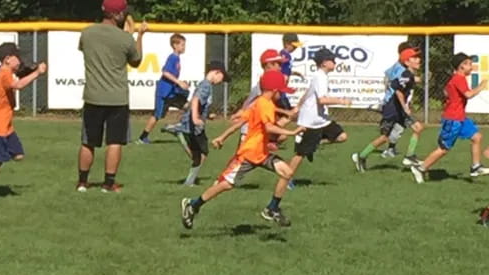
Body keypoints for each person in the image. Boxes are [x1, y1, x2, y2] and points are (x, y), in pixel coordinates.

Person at [180, 70, 301, 230]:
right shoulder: (264, 105)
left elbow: (241, 122)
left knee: (287, 172)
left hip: (261, 153)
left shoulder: (260, 103)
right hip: (249, 155)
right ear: (274, 90)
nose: (282, 96)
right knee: (226, 185)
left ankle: (272, 209)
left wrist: (223, 137)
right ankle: (192, 204)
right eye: (281, 92)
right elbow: (269, 127)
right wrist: (291, 132)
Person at [76, 0, 147, 193]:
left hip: (92, 95)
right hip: (117, 97)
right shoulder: (124, 38)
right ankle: (108, 183)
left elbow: (85, 50)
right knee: (115, 141)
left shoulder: (87, 33)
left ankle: (82, 182)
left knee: (88, 141)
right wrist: (139, 36)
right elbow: (136, 60)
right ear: (118, 14)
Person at [0, 43, 47, 201]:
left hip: (5, 125)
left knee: (19, 155)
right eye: (17, 57)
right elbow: (18, 85)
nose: (19, 60)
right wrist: (37, 73)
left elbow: (18, 78)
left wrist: (29, 70)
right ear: (7, 59)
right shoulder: (5, 73)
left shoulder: (7, 71)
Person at [273, 47, 351, 192]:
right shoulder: (320, 77)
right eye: (332, 60)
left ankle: (316, 144)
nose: (335, 62)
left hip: (322, 119)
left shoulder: (320, 76)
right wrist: (342, 100)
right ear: (323, 63)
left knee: (342, 136)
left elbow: (308, 93)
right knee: (301, 153)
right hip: (311, 122)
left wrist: (297, 106)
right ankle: (287, 178)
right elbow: (322, 100)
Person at [410, 53, 489, 183]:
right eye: (468, 63)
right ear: (461, 67)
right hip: (453, 119)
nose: (471, 66)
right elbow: (468, 94)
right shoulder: (459, 78)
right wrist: (480, 86)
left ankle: (476, 167)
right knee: (444, 149)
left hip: (461, 118)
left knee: (477, 137)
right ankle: (421, 168)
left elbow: (447, 92)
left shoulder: (457, 79)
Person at [352, 47, 423, 173]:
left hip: (399, 109)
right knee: (384, 137)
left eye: (418, 57)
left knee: (418, 128)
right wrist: (405, 107)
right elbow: (398, 91)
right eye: (415, 58)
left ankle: (409, 156)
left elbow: (396, 84)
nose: (418, 60)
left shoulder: (408, 75)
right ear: (407, 62)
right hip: (393, 109)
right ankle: (361, 156)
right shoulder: (406, 75)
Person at [178, 61, 229, 186]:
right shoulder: (206, 86)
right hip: (196, 125)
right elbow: (195, 100)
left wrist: (207, 115)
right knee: (202, 153)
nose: (221, 82)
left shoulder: (204, 84)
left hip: (196, 123)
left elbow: (196, 102)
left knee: (201, 153)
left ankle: (189, 182)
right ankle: (180, 134)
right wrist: (195, 118)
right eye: (222, 78)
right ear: (217, 72)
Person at [137, 34, 189, 144]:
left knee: (188, 106)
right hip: (164, 93)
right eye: (182, 45)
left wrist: (181, 83)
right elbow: (165, 72)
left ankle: (182, 128)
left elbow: (172, 75)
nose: (184, 47)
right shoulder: (173, 57)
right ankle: (142, 138)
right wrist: (178, 82)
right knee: (157, 116)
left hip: (172, 92)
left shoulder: (177, 58)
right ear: (175, 45)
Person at [380, 41, 418, 159]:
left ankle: (391, 149)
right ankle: (362, 156)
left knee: (400, 127)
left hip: (395, 101)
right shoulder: (401, 68)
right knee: (389, 131)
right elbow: (397, 85)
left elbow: (388, 76)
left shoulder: (399, 67)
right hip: (394, 102)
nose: (415, 57)